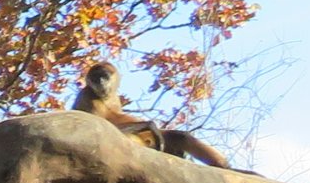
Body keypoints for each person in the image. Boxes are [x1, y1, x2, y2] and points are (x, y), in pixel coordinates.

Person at [72, 60, 230, 167]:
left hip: (136, 136)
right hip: (112, 145)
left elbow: (117, 119)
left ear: (116, 79)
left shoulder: (113, 97)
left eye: (104, 78)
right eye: (95, 80)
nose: (101, 84)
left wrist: (145, 127)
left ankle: (224, 167)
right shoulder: (88, 99)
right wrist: (143, 127)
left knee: (181, 138)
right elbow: (102, 132)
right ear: (88, 81)